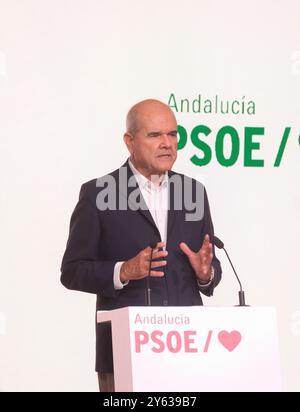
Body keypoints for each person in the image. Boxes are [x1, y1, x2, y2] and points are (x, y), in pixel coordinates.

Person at [60, 99, 222, 391]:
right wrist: (123, 271)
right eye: (154, 135)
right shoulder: (98, 193)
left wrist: (205, 273)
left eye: (172, 135)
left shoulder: (194, 191)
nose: (167, 143)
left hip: (189, 351)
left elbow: (209, 262)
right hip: (125, 356)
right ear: (129, 141)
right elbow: (72, 271)